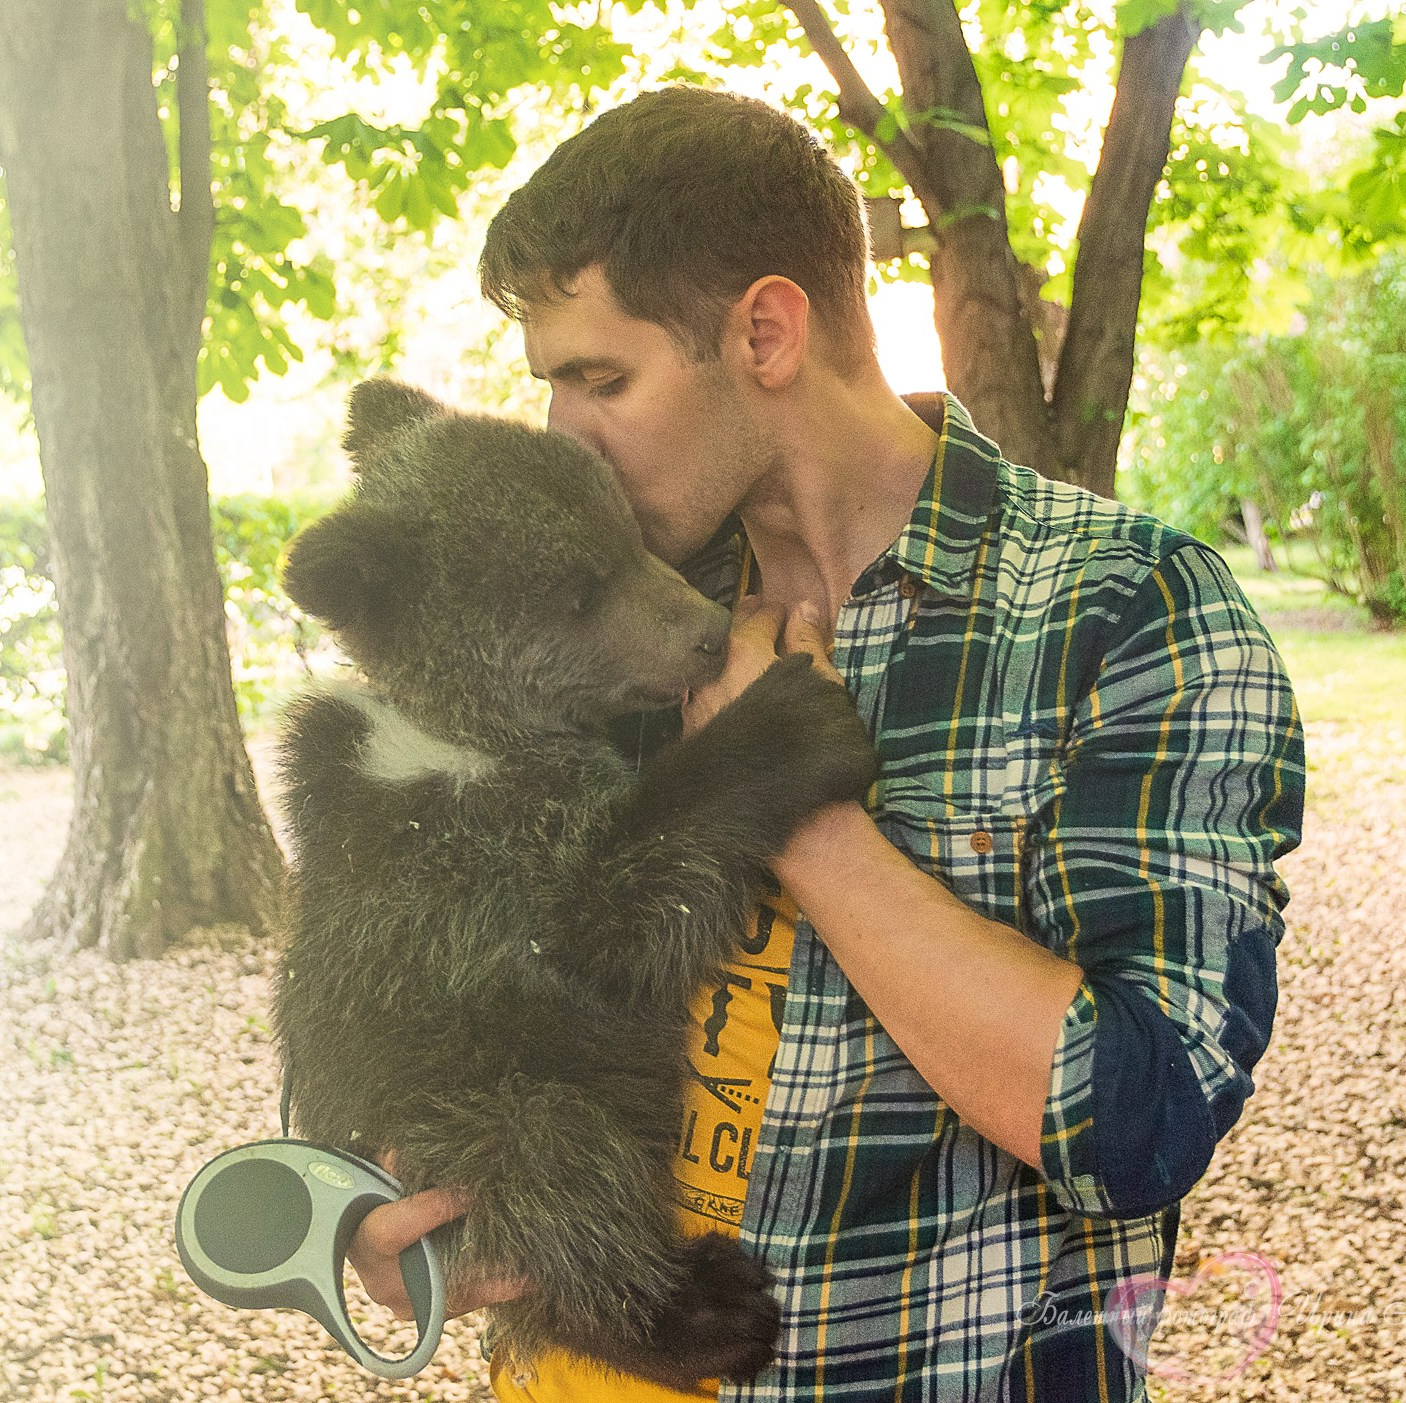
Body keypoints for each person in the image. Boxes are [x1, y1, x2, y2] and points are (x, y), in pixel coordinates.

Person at [345, 85, 1306, 1402]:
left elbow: (1143, 1125)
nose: (566, 433)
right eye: (551, 384)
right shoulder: (591, 613)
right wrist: (384, 1203)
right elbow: (405, 952)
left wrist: (800, 817)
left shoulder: (1125, 612)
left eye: (602, 379)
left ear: (765, 331)